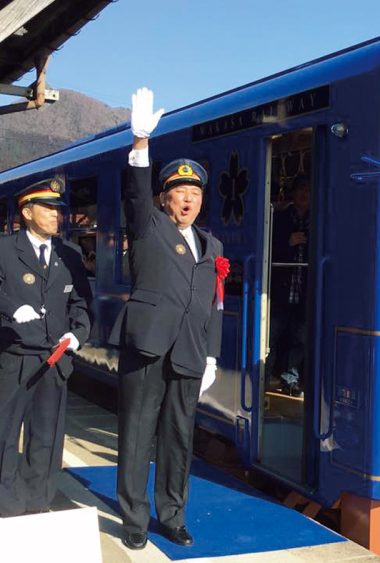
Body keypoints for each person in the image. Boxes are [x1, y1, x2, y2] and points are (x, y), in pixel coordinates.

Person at [109, 88, 224, 550]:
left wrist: (212, 355)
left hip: (190, 356)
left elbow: (215, 302)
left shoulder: (211, 245)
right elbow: (134, 193)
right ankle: (134, 521)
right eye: (179, 192)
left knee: (179, 440)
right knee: (137, 437)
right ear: (164, 199)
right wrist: (140, 143)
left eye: (195, 193)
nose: (188, 200)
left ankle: (172, 515)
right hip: (147, 346)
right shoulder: (149, 226)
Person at [0, 177, 91, 517]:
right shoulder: (5, 249)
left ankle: (38, 502)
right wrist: (11, 308)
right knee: (5, 435)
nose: (57, 215)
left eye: (59, 209)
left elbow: (82, 304)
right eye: (48, 208)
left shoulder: (70, 254)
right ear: (27, 211)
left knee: (46, 438)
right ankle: (7, 506)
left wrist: (78, 335)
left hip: (54, 361)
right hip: (14, 359)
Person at [268, 176, 310, 395]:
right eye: (301, 189)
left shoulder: (317, 219)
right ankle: (265, 377)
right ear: (294, 193)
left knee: (300, 340)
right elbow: (267, 250)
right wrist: (288, 243)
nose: (304, 194)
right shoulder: (280, 218)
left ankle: (290, 378)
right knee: (271, 337)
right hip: (281, 290)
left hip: (305, 292)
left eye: (308, 190)